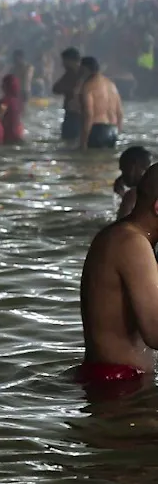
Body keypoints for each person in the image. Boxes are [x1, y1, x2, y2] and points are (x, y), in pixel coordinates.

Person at [78, 164, 158, 385]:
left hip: (115, 380)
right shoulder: (132, 243)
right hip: (117, 386)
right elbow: (155, 331)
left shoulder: (123, 237)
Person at [79, 56, 123, 150]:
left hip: (97, 129)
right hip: (113, 129)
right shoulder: (111, 85)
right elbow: (120, 113)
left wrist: (83, 141)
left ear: (85, 68)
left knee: (90, 162)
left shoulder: (88, 86)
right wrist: (117, 132)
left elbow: (89, 114)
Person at [53, 47, 82, 143]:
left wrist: (69, 90)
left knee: (70, 141)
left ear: (70, 60)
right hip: (71, 113)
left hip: (77, 115)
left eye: (64, 61)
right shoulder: (69, 73)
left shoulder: (78, 73)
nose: (62, 64)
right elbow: (56, 89)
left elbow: (57, 88)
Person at [114, 146, 151, 219]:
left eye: (123, 170)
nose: (122, 176)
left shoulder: (132, 195)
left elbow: (120, 226)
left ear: (133, 166)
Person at [0, 74, 25, 144]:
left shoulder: (6, 101)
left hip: (9, 134)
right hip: (19, 133)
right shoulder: (19, 101)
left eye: (3, 84)